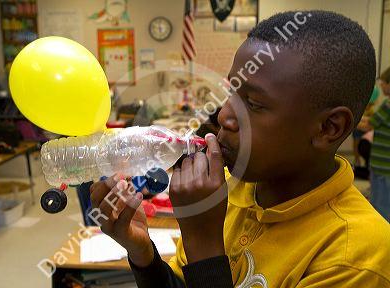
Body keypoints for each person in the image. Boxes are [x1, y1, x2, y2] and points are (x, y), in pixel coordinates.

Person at [90, 11, 390, 287]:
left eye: (255, 104)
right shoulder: (233, 192)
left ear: (328, 128)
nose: (224, 116)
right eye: (231, 92)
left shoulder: (356, 258)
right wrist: (144, 254)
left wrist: (203, 241)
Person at [360, 67, 390, 221]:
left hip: (382, 165)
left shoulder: (388, 105)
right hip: (386, 166)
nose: (381, 86)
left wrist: (349, 120)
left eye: (384, 83)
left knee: (381, 207)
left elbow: (368, 125)